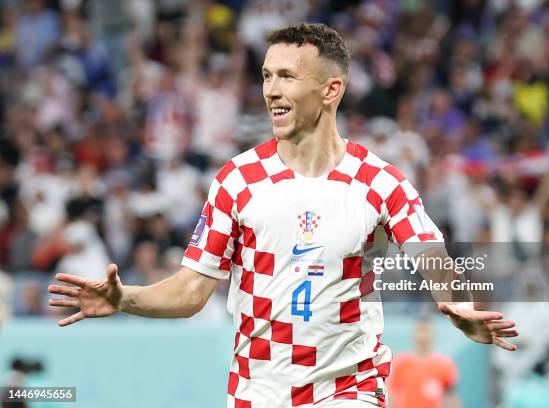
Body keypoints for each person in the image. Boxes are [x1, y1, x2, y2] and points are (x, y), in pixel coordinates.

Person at [48, 23, 518, 408]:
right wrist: (125, 298)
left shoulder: (378, 182)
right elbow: (192, 290)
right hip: (257, 393)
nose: (272, 89)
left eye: (288, 76)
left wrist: (462, 307)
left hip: (347, 391)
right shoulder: (239, 180)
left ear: (331, 89)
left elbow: (431, 254)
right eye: (267, 75)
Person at [388, 319, 461, 408]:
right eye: (420, 330)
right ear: (413, 335)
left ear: (433, 335)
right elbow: (391, 394)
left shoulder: (444, 365)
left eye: (426, 331)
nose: (423, 336)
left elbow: (451, 397)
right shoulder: (401, 363)